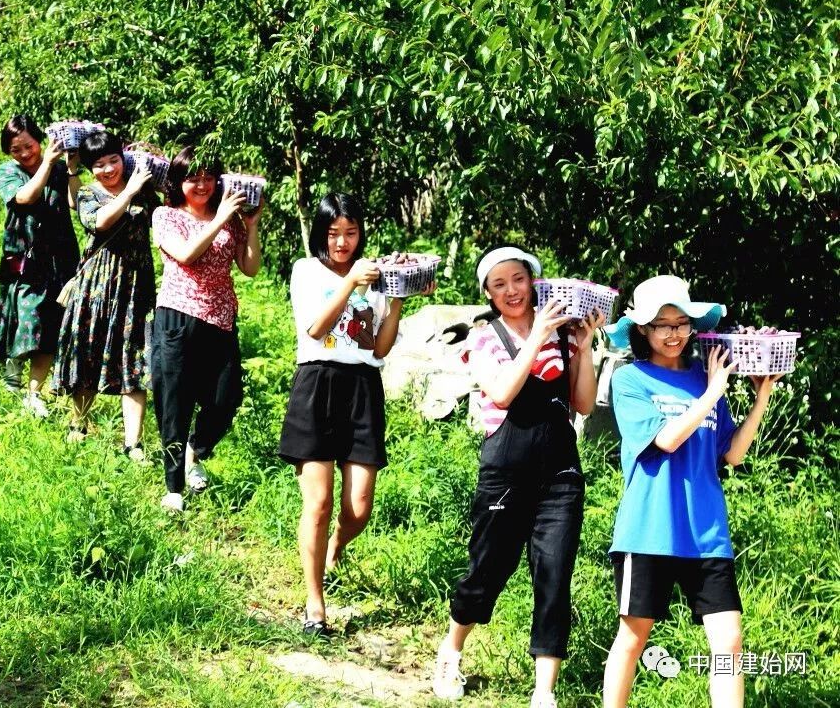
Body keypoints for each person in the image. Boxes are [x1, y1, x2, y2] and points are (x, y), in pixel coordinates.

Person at [432, 247, 605, 707]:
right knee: (487, 568)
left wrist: (583, 349)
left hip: (561, 473)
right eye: (499, 284)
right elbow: (504, 391)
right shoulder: (484, 338)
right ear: (488, 293)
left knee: (554, 576)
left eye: (518, 280)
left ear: (534, 282)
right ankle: (451, 651)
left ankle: (543, 692)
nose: (511, 291)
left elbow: (583, 404)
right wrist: (538, 337)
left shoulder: (565, 338)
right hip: (505, 471)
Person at [600, 275, 780, 708]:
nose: (674, 332)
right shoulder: (630, 381)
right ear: (643, 330)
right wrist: (713, 391)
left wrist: (761, 399)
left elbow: (733, 454)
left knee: (730, 642)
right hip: (649, 531)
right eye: (663, 324)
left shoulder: (706, 380)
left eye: (682, 322)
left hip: (707, 531)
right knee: (633, 636)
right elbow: (665, 440)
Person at [278, 193, 411, 636]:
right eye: (334, 234)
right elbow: (315, 328)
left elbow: (379, 346)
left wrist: (395, 299)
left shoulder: (374, 278)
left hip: (361, 389)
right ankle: (315, 604)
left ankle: (336, 545)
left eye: (350, 234)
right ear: (321, 233)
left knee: (358, 508)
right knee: (317, 503)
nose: (342, 243)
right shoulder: (306, 271)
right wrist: (351, 282)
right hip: (316, 384)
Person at [151, 146, 261, 513]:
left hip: (221, 316)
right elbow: (185, 254)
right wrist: (219, 220)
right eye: (192, 178)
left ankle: (193, 454)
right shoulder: (165, 215)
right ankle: (173, 488)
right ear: (178, 182)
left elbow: (249, 268)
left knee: (226, 397)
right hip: (178, 316)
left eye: (208, 177)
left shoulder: (229, 218)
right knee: (175, 402)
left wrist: (251, 225)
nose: (201, 185)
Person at [51, 130, 156, 457]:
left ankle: (132, 443)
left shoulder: (142, 189)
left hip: (135, 285)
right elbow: (99, 224)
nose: (109, 169)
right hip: (97, 286)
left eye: (114, 160)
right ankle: (78, 424)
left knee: (135, 361)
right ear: (90, 168)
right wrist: (129, 193)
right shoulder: (87, 194)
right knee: (88, 352)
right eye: (99, 164)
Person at [0, 115, 81, 414]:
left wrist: (72, 167)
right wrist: (46, 165)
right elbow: (25, 197)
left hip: (61, 257)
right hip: (24, 257)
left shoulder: (57, 168)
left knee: (53, 321)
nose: (25, 153)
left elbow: (76, 202)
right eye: (17, 149)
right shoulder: (7, 170)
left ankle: (34, 393)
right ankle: (13, 371)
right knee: (26, 315)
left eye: (29, 146)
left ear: (40, 141)